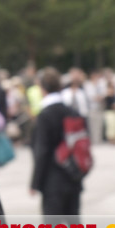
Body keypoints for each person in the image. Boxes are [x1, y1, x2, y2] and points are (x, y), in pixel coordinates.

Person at [29, 67, 84, 217]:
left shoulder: (45, 115)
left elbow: (42, 151)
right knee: (74, 224)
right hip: (73, 175)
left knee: (52, 227)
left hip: (52, 180)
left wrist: (35, 182)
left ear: (42, 88)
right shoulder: (72, 112)